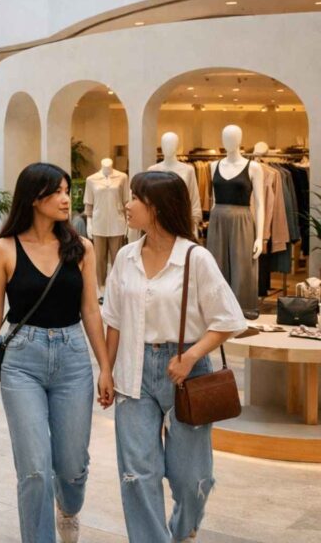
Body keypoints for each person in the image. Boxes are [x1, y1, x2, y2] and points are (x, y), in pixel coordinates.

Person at [102, 171, 246, 543]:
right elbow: (114, 320)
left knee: (190, 476)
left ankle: (184, 530)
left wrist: (191, 355)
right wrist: (106, 369)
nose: (127, 205)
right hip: (133, 369)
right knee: (138, 475)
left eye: (135, 198)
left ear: (158, 207)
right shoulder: (125, 256)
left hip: (188, 370)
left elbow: (228, 320)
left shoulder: (195, 258)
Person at [0, 163, 113, 543]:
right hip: (22, 362)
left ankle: (68, 509)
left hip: (72, 359)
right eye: (58, 192)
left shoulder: (81, 248)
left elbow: (90, 310)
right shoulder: (3, 250)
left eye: (68, 190)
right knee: (34, 468)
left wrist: (104, 366)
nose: (67, 198)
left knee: (71, 466)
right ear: (35, 199)